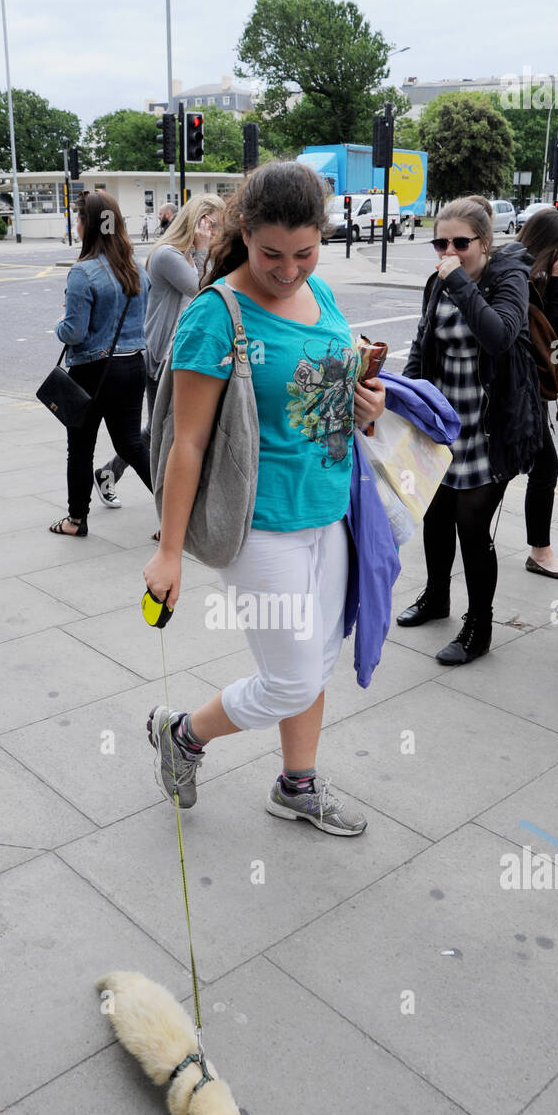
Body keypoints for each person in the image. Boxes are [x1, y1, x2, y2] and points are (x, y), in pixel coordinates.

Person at [142, 161, 385, 834]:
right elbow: (184, 445)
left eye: (305, 253)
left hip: (331, 509)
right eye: (272, 253)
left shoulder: (324, 296)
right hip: (260, 523)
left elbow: (331, 397)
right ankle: (184, 735)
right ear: (244, 231)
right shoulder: (215, 316)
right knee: (290, 679)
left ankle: (297, 784)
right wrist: (169, 553)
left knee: (318, 661)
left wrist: (367, 404)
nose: (289, 270)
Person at [396, 196, 542, 664]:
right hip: (443, 419)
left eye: (461, 243)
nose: (449, 251)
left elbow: (498, 336)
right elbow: (423, 344)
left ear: (484, 242)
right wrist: (407, 403)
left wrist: (459, 280)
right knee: (436, 514)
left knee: (472, 525)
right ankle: (437, 597)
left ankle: (479, 626)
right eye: (441, 243)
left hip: (491, 425)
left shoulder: (507, 278)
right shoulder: (438, 283)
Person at [94, 193, 225, 508]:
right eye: (215, 225)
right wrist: (205, 246)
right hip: (162, 355)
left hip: (185, 353)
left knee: (159, 430)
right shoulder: (168, 254)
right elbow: (202, 288)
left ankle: (109, 473)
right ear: (200, 222)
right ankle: (171, 502)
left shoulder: (191, 254)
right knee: (167, 433)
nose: (219, 232)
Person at [48, 191, 152, 537]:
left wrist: (59, 324)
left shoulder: (83, 272)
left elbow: (74, 334)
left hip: (93, 371)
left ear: (87, 226)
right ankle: (177, 513)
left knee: (80, 447)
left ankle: (76, 520)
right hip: (133, 366)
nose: (76, 225)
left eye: (78, 219)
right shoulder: (138, 267)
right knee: (130, 445)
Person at [517, 207, 558, 579]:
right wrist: (557, 287)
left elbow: (553, 342)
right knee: (544, 468)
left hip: (529, 396)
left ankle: (537, 549)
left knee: (536, 468)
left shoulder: (532, 279)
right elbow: (556, 351)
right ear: (547, 247)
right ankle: (539, 552)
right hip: (521, 396)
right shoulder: (525, 282)